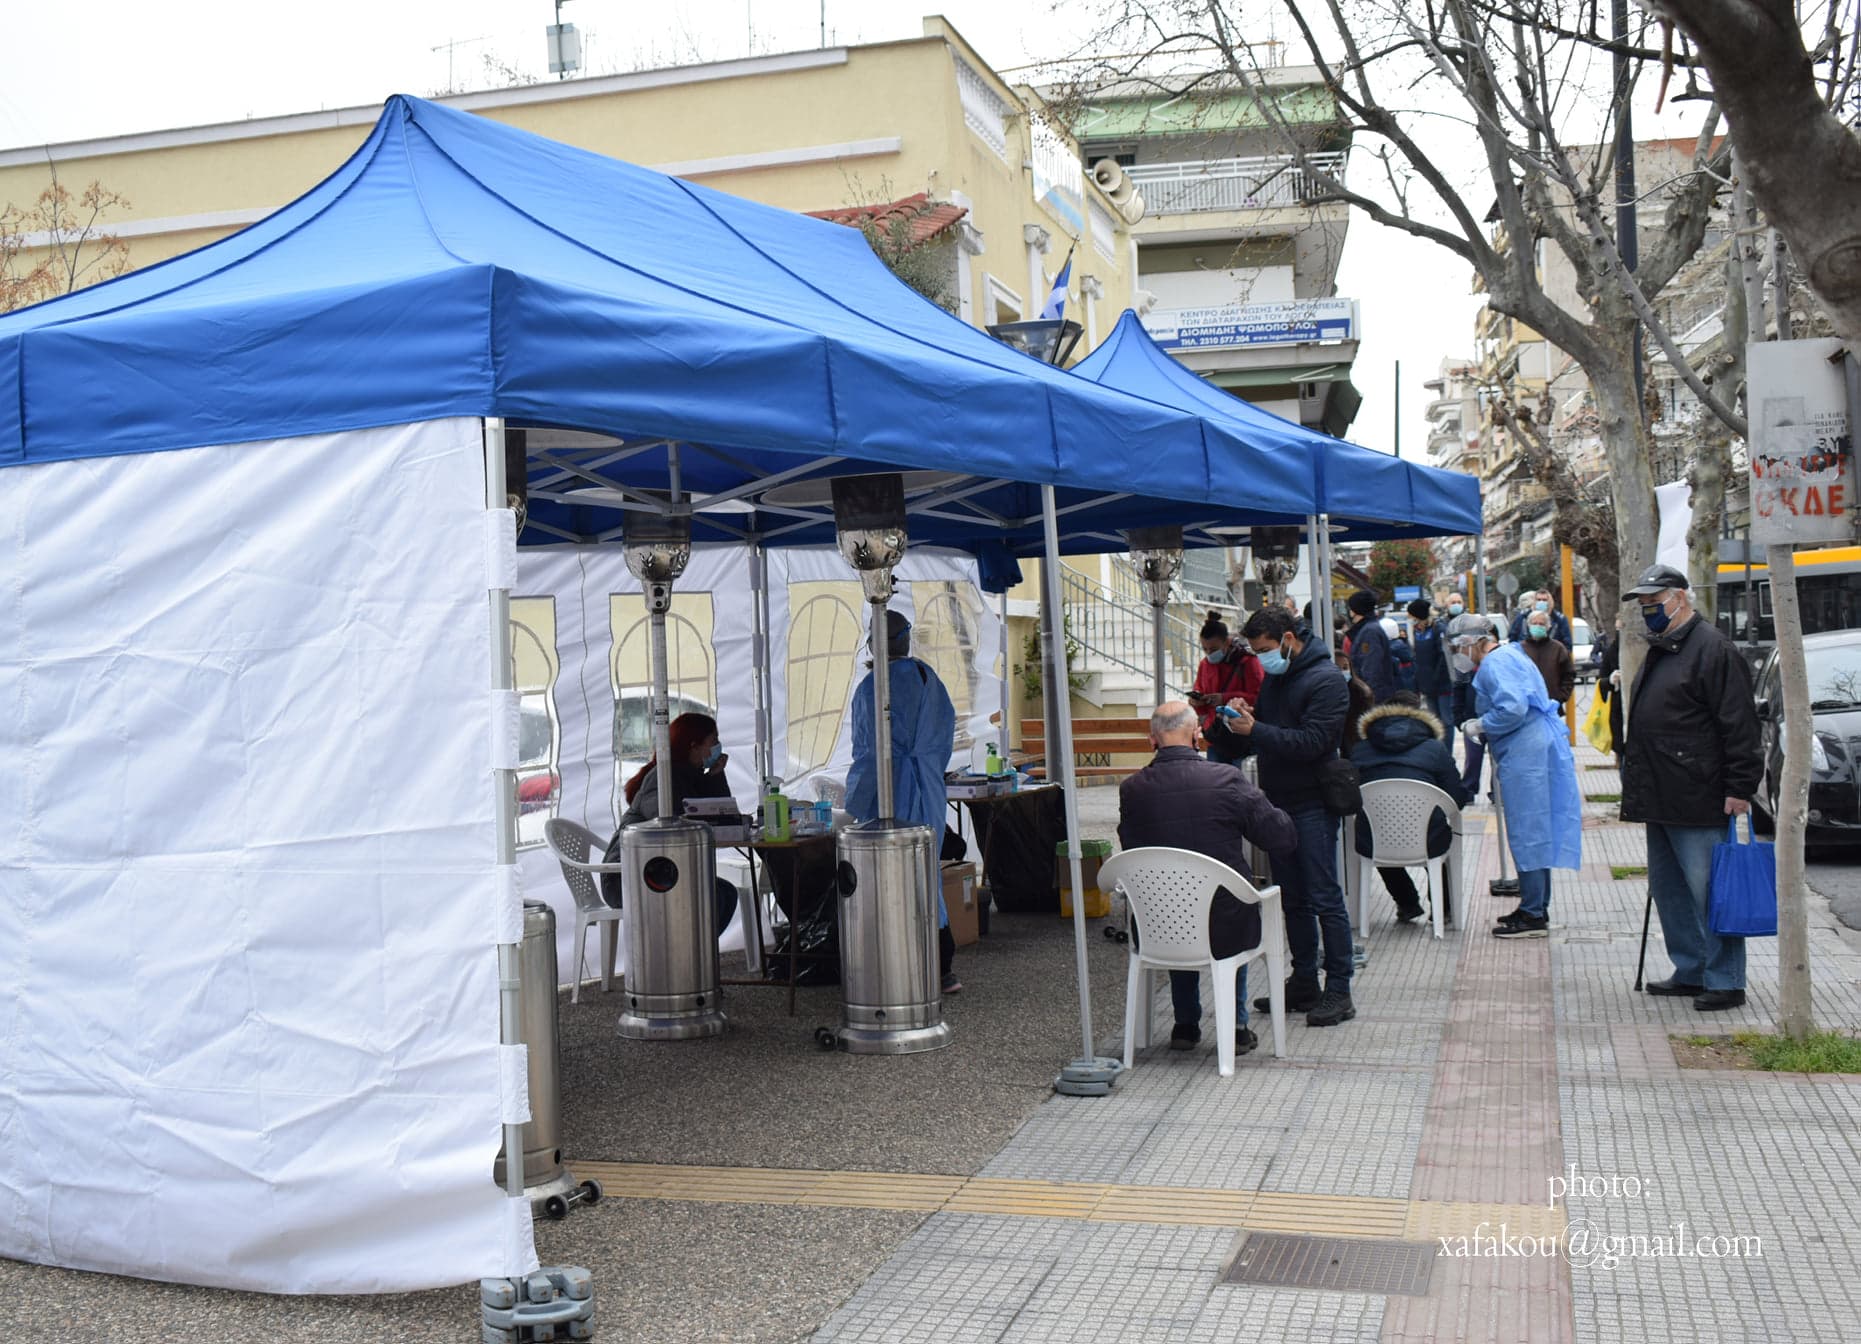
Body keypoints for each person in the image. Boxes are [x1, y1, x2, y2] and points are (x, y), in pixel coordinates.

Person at [1618, 565, 1763, 1011]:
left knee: (1710, 891)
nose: (1648, 613)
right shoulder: (1663, 647)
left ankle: (1726, 979)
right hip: (1660, 792)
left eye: (1654, 604)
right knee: (1669, 889)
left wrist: (1740, 785)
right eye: (1643, 606)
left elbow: (1739, 724)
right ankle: (1691, 968)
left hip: (1699, 793)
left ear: (1682, 598)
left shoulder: (1713, 649)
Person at [1118, 701, 1298, 1056]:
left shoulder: (1132, 789)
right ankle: (1237, 1026)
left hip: (1157, 924)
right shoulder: (1226, 780)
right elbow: (1281, 838)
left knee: (1177, 898)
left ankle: (1185, 1024)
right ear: (1197, 735)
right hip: (1224, 925)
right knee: (1231, 898)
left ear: (1151, 740)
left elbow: (1132, 847)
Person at [1208, 608, 1356, 1027]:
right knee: (1292, 897)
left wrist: (1254, 729)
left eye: (1265, 650)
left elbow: (1312, 741)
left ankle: (1340, 988)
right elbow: (1266, 732)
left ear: (1289, 638)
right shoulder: (1277, 677)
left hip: (1313, 802)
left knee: (1325, 895)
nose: (1260, 659)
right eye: (1255, 653)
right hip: (1279, 802)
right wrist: (1235, 718)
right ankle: (1304, 979)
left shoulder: (1327, 679)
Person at [846, 609, 963, 993]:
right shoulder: (929, 679)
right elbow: (944, 738)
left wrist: (857, 802)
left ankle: (901, 966)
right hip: (927, 791)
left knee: (891, 881)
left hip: (891, 791)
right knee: (925, 874)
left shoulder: (873, 687)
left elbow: (867, 751)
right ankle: (940, 965)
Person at [1448, 614, 1582, 937]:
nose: (1457, 655)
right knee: (1534, 828)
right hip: (1534, 747)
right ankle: (1534, 906)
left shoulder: (1495, 664)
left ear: (1475, 643)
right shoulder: (1510, 655)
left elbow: (1512, 709)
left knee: (1527, 830)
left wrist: (1481, 724)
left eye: (1458, 647)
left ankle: (1533, 912)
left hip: (1527, 753)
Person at [603, 711, 740, 937]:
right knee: (712, 895)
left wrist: (716, 775)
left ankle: (693, 955)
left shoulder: (691, 775)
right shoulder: (663, 778)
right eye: (713, 741)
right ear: (694, 746)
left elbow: (721, 811)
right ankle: (687, 956)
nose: (718, 746)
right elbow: (666, 824)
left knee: (724, 892)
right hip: (628, 875)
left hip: (660, 868)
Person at [1351, 690, 1474, 923]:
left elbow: (1350, 797)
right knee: (1437, 837)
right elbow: (1456, 798)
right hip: (1427, 839)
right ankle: (1444, 908)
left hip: (1376, 841)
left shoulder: (1361, 750)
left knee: (1373, 831)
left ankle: (1407, 903)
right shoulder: (1435, 750)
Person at [1189, 610, 1263, 764]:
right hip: (1216, 736)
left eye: (1214, 649)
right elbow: (1199, 691)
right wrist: (1197, 702)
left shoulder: (1248, 662)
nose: (1209, 654)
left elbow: (1259, 697)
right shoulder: (1205, 664)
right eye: (1205, 649)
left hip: (1242, 737)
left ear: (1227, 642)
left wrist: (1224, 698)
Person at [1409, 598, 1455, 754]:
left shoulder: (1438, 628)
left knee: (1446, 721)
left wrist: (1437, 678)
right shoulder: (1418, 630)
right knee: (1434, 721)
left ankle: (1447, 752)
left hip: (1442, 683)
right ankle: (1439, 751)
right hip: (1427, 684)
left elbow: (1444, 656)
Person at [1518, 606, 1576, 715]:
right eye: (1534, 623)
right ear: (1528, 626)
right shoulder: (1519, 649)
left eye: (1541, 624)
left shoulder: (1558, 649)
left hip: (1552, 707)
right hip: (1526, 709)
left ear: (1548, 626)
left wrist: (1560, 697)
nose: (1538, 626)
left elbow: (1569, 675)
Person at [1344, 589, 1398, 702]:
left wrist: (1366, 696)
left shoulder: (1369, 632)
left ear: (1355, 610)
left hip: (1375, 696)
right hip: (1377, 693)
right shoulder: (1369, 628)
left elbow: (1371, 667)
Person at [1595, 618, 1625, 761]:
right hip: (1617, 710)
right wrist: (1611, 680)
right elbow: (1601, 682)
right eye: (1618, 629)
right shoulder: (1612, 651)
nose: (1620, 633)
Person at [1509, 590, 1573, 650]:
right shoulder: (1523, 617)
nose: (1541, 602)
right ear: (1534, 601)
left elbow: (1567, 644)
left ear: (1550, 602)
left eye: (1544, 600)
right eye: (1538, 600)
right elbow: (1513, 639)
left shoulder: (1559, 619)